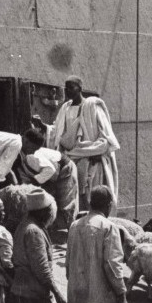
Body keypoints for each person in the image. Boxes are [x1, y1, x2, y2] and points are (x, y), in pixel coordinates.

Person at [65, 185, 128, 303]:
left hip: (77, 291)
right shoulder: (108, 227)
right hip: (100, 294)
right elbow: (112, 265)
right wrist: (121, 295)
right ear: (108, 205)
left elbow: (67, 263)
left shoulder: (75, 226)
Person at [34, 75, 120, 206]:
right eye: (66, 88)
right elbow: (59, 132)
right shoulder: (65, 108)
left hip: (92, 159)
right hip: (71, 158)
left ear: (80, 88)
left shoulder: (91, 106)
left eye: (71, 88)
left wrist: (97, 152)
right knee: (73, 197)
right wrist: (44, 127)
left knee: (92, 196)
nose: (68, 91)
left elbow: (107, 136)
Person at [19, 145, 79, 239]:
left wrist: (36, 182)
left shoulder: (30, 157)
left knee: (66, 203)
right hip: (52, 175)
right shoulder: (22, 162)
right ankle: (51, 230)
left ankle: (73, 234)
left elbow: (50, 170)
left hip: (65, 168)